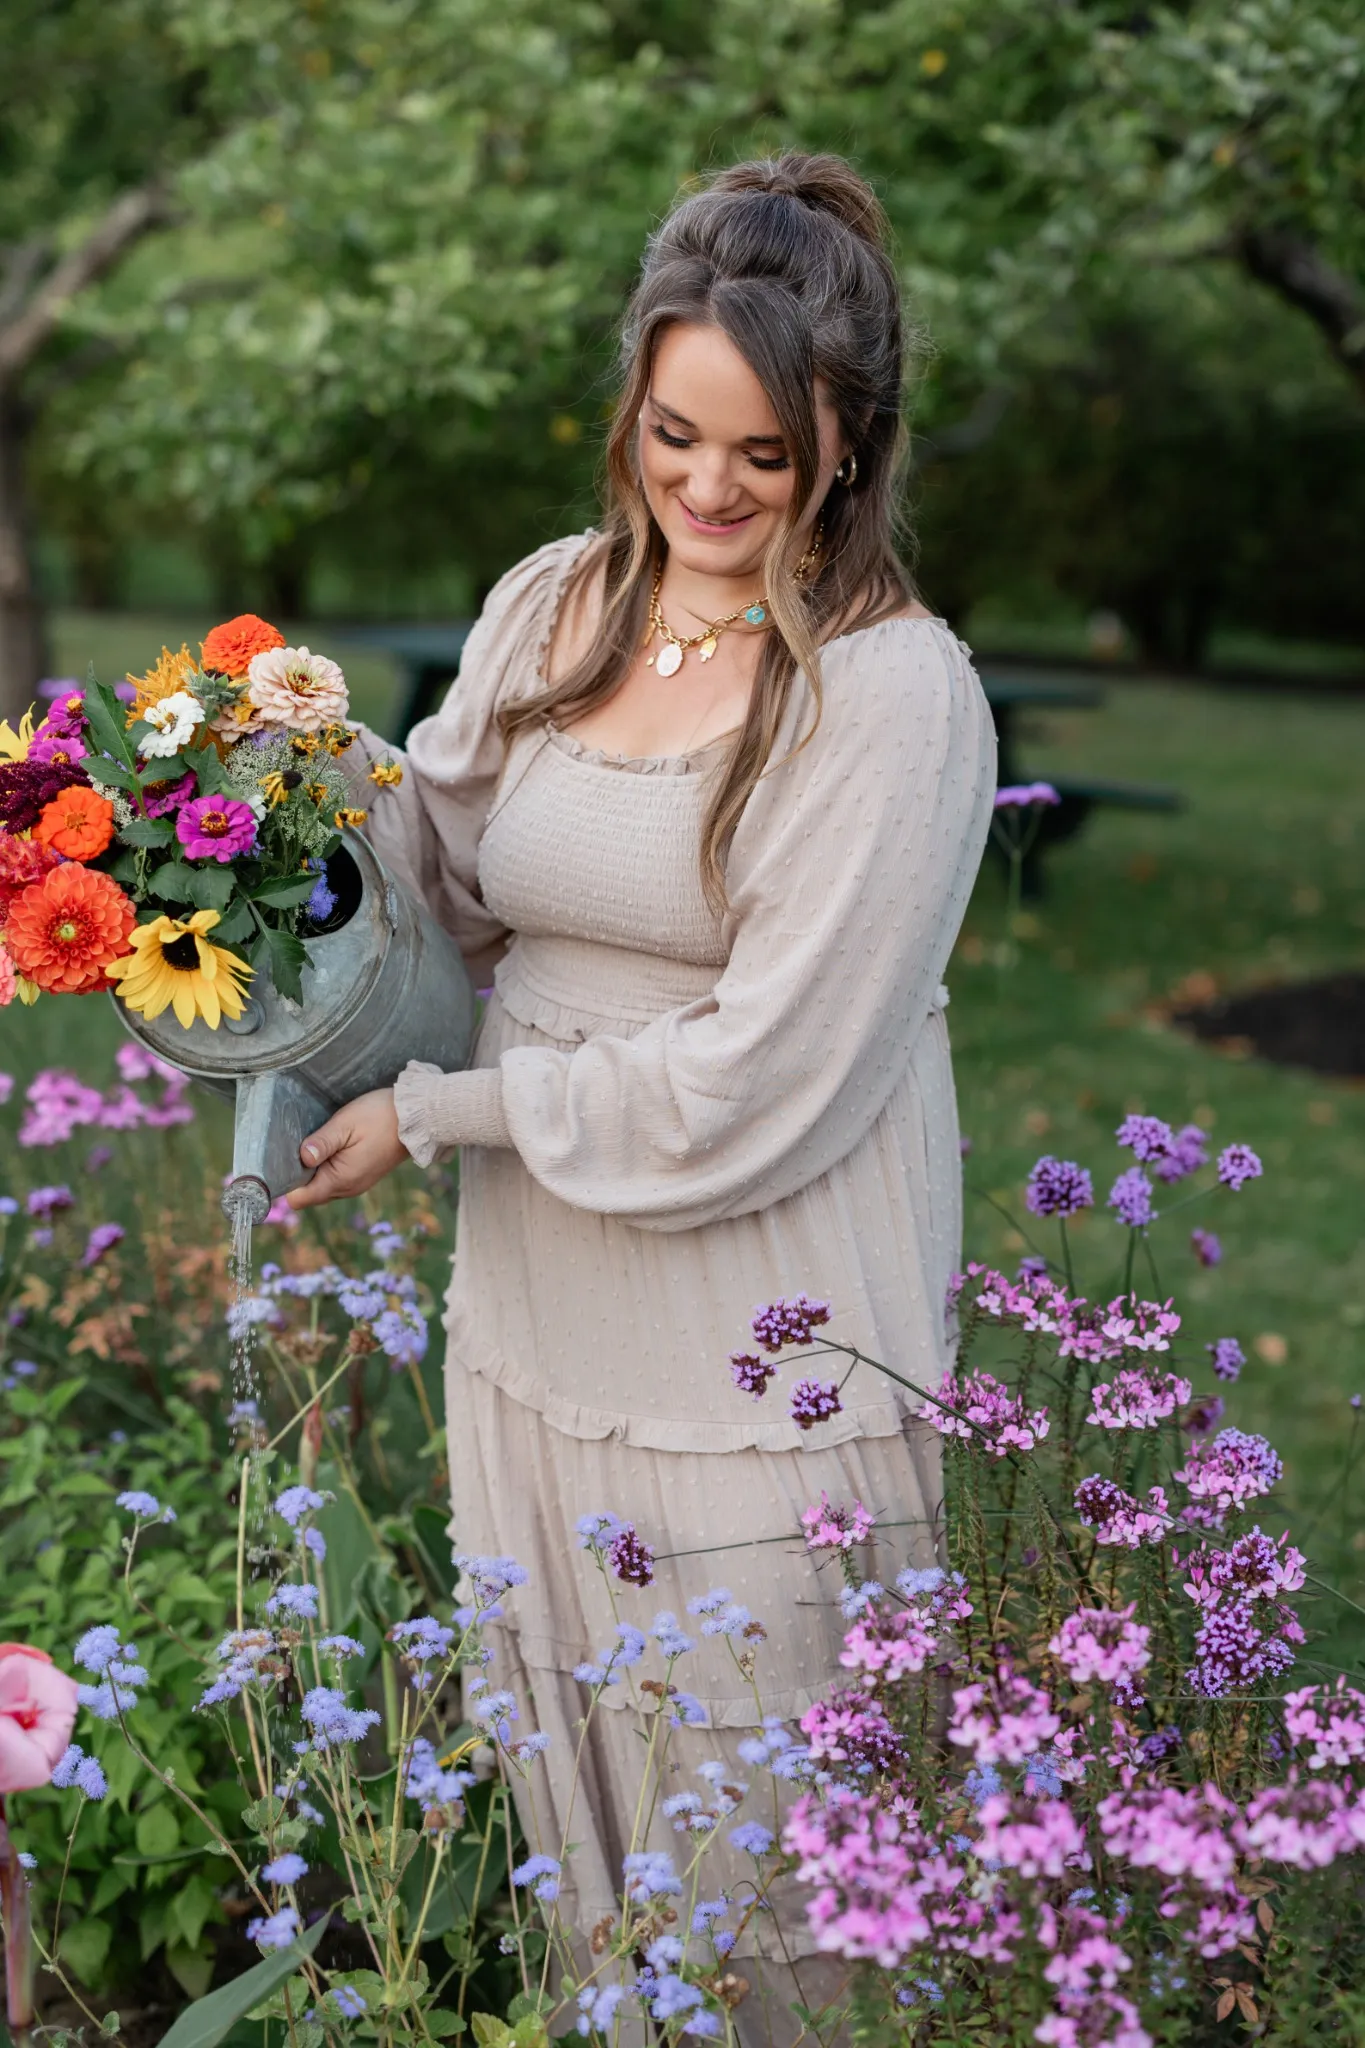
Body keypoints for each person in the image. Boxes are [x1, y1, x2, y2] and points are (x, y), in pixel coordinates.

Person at [289, 152, 995, 2038]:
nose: (705, 489)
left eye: (763, 458)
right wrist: (246, 783)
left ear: (848, 448)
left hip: (751, 1325)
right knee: (579, 1814)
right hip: (539, 1305)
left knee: (772, 1853)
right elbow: (432, 855)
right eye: (675, 435)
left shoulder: (893, 699)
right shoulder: (554, 606)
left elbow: (768, 1075)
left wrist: (452, 1112)